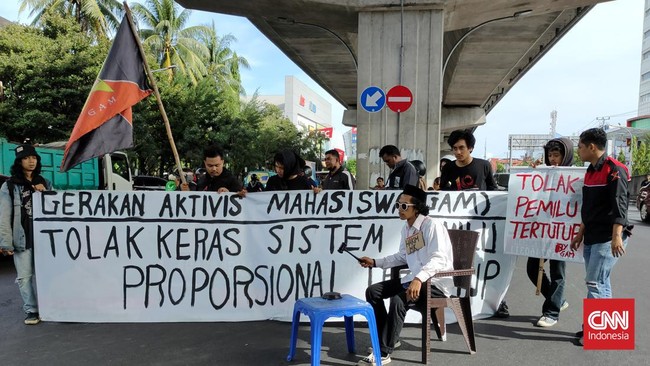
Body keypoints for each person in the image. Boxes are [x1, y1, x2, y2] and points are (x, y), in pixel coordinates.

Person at [357, 184, 454, 365]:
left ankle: (384, 353)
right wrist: (375, 262)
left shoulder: (431, 225)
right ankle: (390, 337)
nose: (399, 209)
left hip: (436, 284)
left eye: (404, 206)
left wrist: (419, 278)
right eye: (398, 205)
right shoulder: (407, 229)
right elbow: (402, 256)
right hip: (415, 279)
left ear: (416, 208)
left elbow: (439, 259)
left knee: (398, 300)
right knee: (373, 292)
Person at [570, 128, 631, 346]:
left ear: (592, 147)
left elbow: (620, 206)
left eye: (580, 146)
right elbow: (589, 207)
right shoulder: (589, 171)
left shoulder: (615, 169)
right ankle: (601, 332)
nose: (578, 150)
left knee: (594, 283)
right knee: (601, 283)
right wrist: (580, 233)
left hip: (608, 237)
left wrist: (616, 237)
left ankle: (594, 333)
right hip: (592, 235)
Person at [0, 144, 52, 325]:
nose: (31, 161)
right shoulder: (10, 186)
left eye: (34, 158)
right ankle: (31, 310)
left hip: (44, 237)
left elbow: (57, 207)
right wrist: (6, 243)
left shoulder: (44, 181)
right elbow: (4, 215)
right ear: (19, 161)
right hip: (21, 238)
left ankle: (50, 307)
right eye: (26, 158)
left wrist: (46, 193)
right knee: (24, 277)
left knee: (48, 273)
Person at [526, 138, 573, 327]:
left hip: (561, 232)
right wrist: (533, 174)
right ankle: (558, 301)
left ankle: (551, 312)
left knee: (557, 272)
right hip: (542, 232)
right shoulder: (543, 173)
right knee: (531, 268)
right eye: (550, 155)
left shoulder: (574, 175)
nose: (553, 159)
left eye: (557, 155)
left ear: (566, 155)